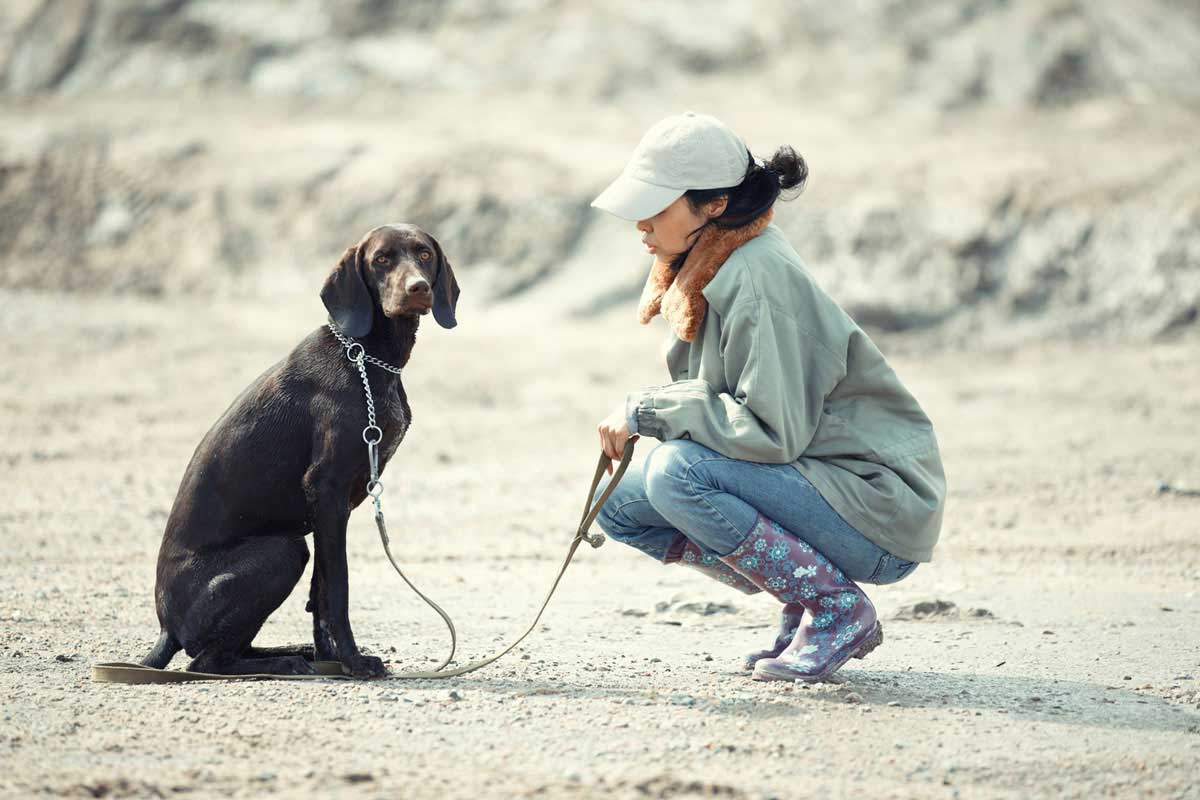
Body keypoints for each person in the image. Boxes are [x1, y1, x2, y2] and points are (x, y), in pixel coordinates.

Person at [589, 111, 947, 682]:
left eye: (656, 206)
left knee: (677, 473)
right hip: (815, 483)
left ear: (714, 206)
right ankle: (802, 596)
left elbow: (770, 433)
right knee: (618, 503)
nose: (641, 225)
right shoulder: (710, 260)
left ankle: (834, 607)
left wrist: (646, 410)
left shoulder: (757, 276)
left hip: (878, 509)